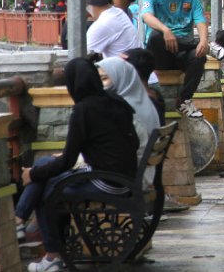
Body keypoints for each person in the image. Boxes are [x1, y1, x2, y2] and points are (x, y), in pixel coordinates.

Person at [16, 58, 139, 272]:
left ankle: (51, 253)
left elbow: (67, 161)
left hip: (108, 182)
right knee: (45, 164)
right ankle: (20, 219)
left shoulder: (84, 109)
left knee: (46, 189)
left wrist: (33, 174)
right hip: (123, 178)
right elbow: (132, 142)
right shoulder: (115, 100)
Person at [140, 0, 208, 118]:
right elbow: (146, 16)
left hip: (181, 54)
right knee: (156, 36)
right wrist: (166, 30)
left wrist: (204, 41)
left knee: (199, 55)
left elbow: (201, 22)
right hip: (159, 55)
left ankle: (184, 100)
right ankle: (200, 45)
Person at [96, 57, 160, 187]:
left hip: (127, 179)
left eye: (104, 79)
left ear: (121, 78)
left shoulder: (125, 109)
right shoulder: (141, 101)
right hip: (141, 173)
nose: (100, 85)